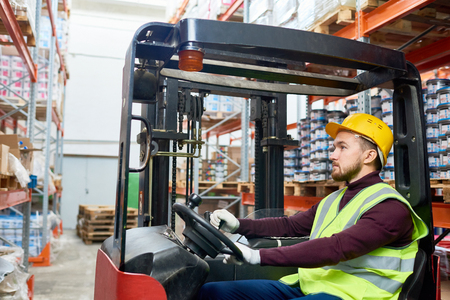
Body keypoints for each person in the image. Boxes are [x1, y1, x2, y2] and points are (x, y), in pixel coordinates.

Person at [197, 113, 428, 300]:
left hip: (356, 295)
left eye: (342, 147)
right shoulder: (335, 199)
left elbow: (336, 248)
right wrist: (238, 225)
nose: (333, 155)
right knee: (213, 292)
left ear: (369, 156)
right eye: (333, 147)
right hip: (312, 287)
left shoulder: (389, 207)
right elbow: (290, 225)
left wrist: (257, 256)